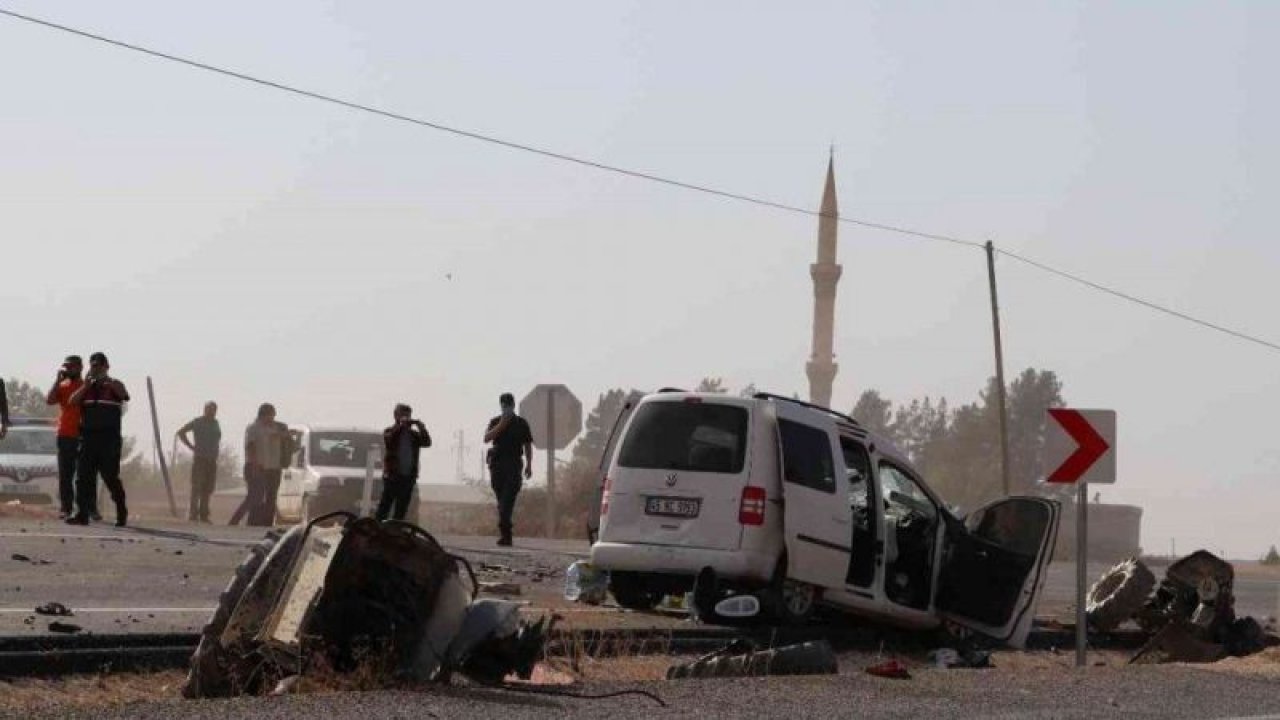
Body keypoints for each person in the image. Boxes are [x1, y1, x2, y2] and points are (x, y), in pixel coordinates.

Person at [66, 352, 129, 527]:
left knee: (110, 477)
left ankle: (121, 510)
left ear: (106, 367)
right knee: (83, 477)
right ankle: (82, 514)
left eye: (99, 366)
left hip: (109, 440)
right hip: (88, 438)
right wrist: (86, 385)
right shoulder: (86, 388)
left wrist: (107, 382)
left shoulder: (114, 384)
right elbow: (72, 401)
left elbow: (123, 395)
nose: (95, 369)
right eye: (93, 366)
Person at [484, 392, 533, 547]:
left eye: (509, 405)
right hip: (497, 464)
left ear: (513, 405)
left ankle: (507, 534)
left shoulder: (521, 423)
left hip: (513, 464)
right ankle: (505, 533)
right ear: (501, 406)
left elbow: (527, 445)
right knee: (501, 500)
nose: (507, 407)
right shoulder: (495, 421)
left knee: (507, 500)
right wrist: (502, 424)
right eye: (504, 405)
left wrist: (529, 465)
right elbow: (487, 438)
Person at [230, 403, 290, 527]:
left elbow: (278, 437)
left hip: (272, 467)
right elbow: (251, 446)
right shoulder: (253, 428)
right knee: (254, 497)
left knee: (269, 497)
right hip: (256, 466)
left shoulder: (273, 428)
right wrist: (255, 464)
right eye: (271, 415)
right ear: (264, 415)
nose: (273, 418)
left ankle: (264, 523)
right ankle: (235, 521)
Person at [376, 404, 431, 522]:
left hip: (408, 477)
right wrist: (401, 426)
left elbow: (427, 443)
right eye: (402, 415)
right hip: (392, 476)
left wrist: (421, 427)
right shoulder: (389, 431)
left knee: (401, 508)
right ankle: (377, 529)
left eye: (408, 415)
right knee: (384, 506)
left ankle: (395, 530)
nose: (406, 417)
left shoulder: (413, 435)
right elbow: (390, 441)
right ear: (395, 416)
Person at [45, 355, 85, 519]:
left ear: (80, 368)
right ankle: (66, 507)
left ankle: (86, 507)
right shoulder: (62, 386)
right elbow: (49, 400)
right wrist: (57, 381)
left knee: (84, 474)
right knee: (66, 474)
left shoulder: (86, 386)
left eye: (72, 367)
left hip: (83, 435)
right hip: (65, 434)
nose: (68, 370)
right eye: (66, 367)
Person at [177, 401, 221, 523]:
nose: (212, 412)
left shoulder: (215, 423)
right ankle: (193, 513)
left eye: (214, 409)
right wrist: (191, 446)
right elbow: (181, 432)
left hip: (212, 459)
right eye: (210, 409)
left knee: (208, 488)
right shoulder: (198, 422)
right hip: (200, 458)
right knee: (197, 486)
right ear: (205, 409)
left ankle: (204, 514)